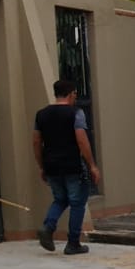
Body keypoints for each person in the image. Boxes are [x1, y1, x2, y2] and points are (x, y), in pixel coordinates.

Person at [33, 79, 101, 254]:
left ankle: (48, 227)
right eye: (75, 95)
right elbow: (81, 139)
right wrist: (92, 165)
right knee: (78, 202)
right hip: (72, 165)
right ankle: (73, 243)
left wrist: (41, 166)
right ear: (71, 94)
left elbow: (36, 142)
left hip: (51, 166)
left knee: (60, 199)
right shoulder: (75, 113)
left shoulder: (41, 114)